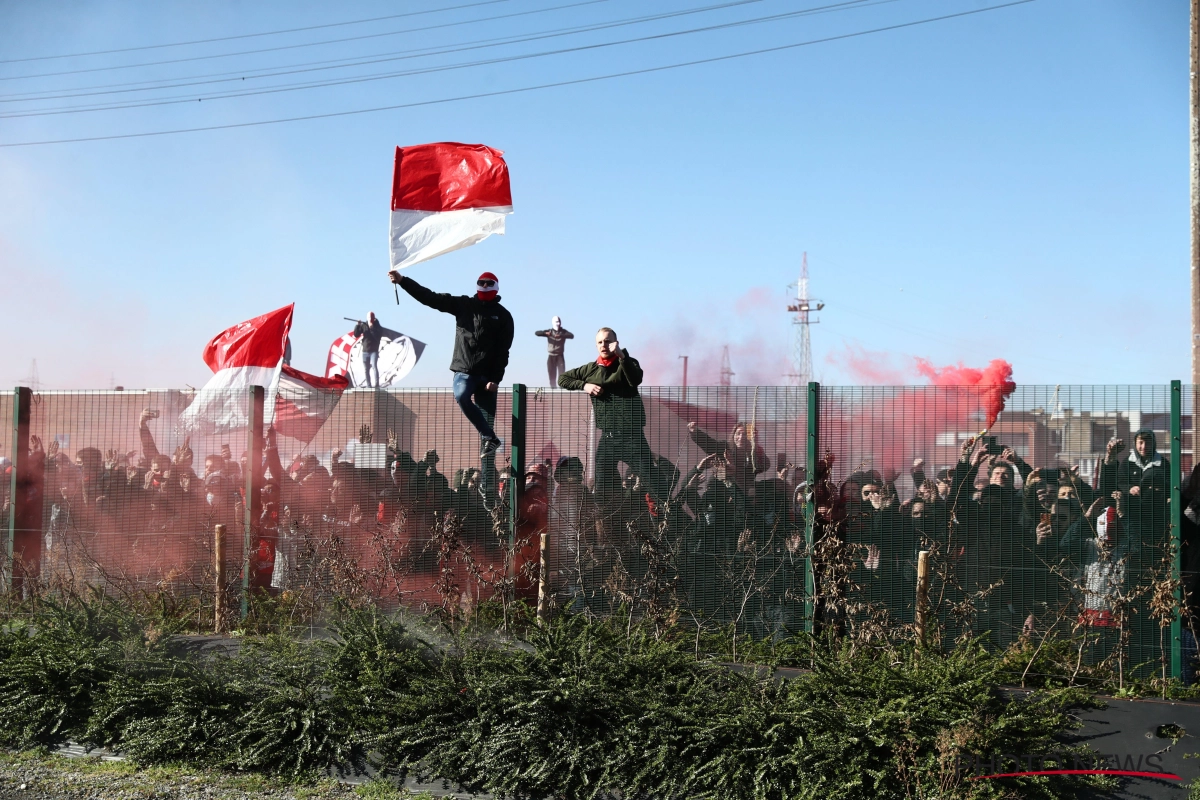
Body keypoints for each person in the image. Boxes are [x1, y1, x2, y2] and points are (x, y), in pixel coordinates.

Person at [390, 270, 514, 501]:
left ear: (496, 287)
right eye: (481, 282)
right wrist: (403, 281)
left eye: (489, 283)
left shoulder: (503, 316)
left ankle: (488, 491)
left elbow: (503, 351)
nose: (485, 285)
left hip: (487, 380)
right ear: (476, 285)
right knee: (461, 397)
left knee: (485, 438)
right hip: (465, 372)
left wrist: (495, 380)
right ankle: (491, 437)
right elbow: (430, 297)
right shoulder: (463, 305)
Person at [558, 328, 651, 501]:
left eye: (608, 341)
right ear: (596, 345)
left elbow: (635, 379)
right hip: (608, 437)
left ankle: (667, 516)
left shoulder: (628, 363)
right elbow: (563, 379)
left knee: (651, 479)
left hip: (633, 437)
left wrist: (623, 356)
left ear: (616, 343)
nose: (604, 345)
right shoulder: (590, 369)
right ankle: (604, 520)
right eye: (600, 342)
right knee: (601, 483)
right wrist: (585, 386)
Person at [534, 316, 574, 385]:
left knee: (562, 375)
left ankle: (562, 390)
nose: (558, 324)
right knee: (552, 375)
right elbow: (537, 333)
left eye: (559, 322)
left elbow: (571, 335)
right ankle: (553, 391)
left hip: (560, 356)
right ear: (553, 323)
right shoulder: (549, 331)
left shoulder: (563, 332)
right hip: (551, 356)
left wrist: (561, 335)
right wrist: (545, 333)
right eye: (556, 322)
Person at [354, 312, 385, 388]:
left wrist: (372, 328)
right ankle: (369, 386)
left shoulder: (378, 326)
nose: (370, 321)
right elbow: (356, 334)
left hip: (374, 351)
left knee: (374, 366)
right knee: (366, 369)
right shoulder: (364, 325)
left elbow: (378, 336)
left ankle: (376, 384)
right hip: (365, 351)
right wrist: (357, 325)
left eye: (371, 319)